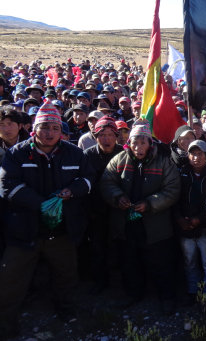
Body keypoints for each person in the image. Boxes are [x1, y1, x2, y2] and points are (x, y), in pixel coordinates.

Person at [0, 101, 94, 336]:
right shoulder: (17, 153)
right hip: (24, 230)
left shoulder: (75, 153)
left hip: (61, 230)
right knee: (11, 280)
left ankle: (66, 311)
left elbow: (88, 179)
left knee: (66, 275)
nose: (49, 133)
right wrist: (41, 204)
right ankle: (6, 324)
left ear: (61, 130)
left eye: (54, 128)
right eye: (44, 127)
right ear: (34, 128)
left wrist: (71, 191)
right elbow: (6, 185)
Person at [101, 121, 180, 314]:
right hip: (126, 223)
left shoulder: (164, 162)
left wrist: (150, 203)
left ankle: (166, 297)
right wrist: (118, 197)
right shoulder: (119, 160)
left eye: (143, 142)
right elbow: (107, 182)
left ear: (150, 143)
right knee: (130, 261)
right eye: (134, 143)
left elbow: (172, 190)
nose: (138, 147)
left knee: (161, 262)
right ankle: (133, 294)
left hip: (155, 225)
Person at [83, 116, 124, 293]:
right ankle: (100, 281)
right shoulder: (88, 155)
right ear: (95, 136)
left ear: (116, 136)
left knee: (119, 245)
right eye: (102, 135)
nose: (106, 139)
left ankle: (121, 281)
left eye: (110, 135)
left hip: (118, 208)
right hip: (95, 209)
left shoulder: (123, 153)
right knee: (97, 245)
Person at [175, 140, 206, 306]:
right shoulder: (181, 172)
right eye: (193, 153)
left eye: (200, 154)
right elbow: (175, 198)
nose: (196, 158)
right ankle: (193, 291)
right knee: (189, 261)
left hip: (205, 227)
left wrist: (199, 219)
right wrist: (179, 218)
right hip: (184, 225)